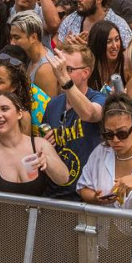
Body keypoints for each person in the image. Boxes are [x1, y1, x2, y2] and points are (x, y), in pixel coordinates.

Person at [76, 93, 132, 211]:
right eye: (109, 134)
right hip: (106, 227)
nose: (115, 140)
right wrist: (95, 198)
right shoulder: (101, 151)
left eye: (122, 133)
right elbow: (83, 187)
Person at [42, 41, 107, 199]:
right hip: (55, 194)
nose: (61, 73)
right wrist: (45, 144)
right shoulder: (53, 104)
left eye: (68, 69)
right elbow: (41, 145)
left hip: (86, 195)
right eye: (61, 68)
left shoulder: (100, 99)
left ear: (85, 73)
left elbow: (89, 114)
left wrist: (65, 79)